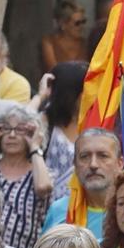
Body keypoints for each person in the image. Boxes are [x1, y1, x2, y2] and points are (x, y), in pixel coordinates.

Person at [0, 105, 54, 248]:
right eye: (6, 129)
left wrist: (35, 145)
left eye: (20, 130)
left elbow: (44, 187)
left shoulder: (40, 172)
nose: (11, 135)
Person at [42, 126, 123, 237]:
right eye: (84, 157)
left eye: (103, 156)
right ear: (75, 165)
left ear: (120, 164)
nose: (93, 164)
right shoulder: (59, 210)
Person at [32, 59, 87, 193]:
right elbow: (21, 122)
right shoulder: (45, 123)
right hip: (50, 209)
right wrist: (41, 95)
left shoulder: (96, 123)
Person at [38, 0, 88, 77]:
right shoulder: (49, 43)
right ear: (63, 24)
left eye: (83, 21)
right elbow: (54, 70)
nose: (81, 26)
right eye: (77, 23)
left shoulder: (86, 44)